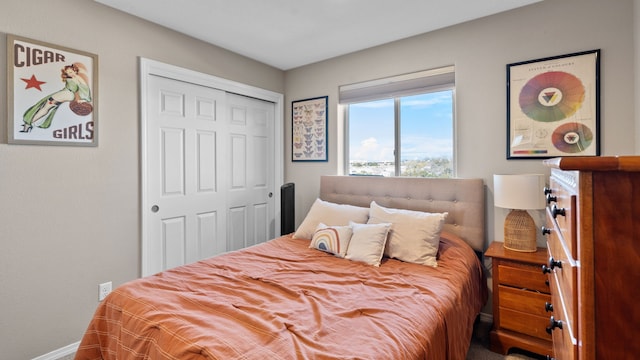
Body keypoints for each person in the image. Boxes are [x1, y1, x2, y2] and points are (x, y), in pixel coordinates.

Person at [20, 62, 92, 132]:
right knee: (47, 107)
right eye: (68, 73)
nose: (70, 73)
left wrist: (84, 99)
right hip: (64, 93)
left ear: (75, 71)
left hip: (67, 94)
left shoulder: (77, 78)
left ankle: (28, 124)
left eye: (71, 71)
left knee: (46, 107)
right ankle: (28, 124)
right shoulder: (72, 78)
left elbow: (84, 87)